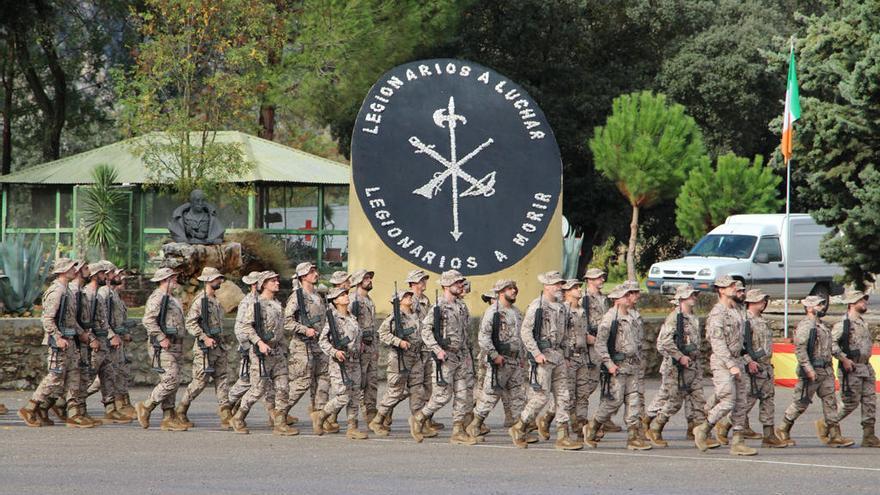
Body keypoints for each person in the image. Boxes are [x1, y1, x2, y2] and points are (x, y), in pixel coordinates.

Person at [510, 271, 581, 451]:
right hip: (542, 357)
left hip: (557, 356)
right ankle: (520, 427)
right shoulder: (538, 306)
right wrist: (535, 353)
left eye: (561, 284)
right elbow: (525, 332)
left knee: (564, 396)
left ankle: (563, 436)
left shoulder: (562, 308)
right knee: (541, 397)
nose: (560, 287)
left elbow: (565, 334)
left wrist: (566, 356)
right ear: (547, 286)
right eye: (556, 284)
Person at [18, 258, 90, 428]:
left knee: (74, 375)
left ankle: (73, 414)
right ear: (63, 271)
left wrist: (82, 334)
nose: (75, 271)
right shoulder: (56, 291)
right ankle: (31, 407)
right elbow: (48, 319)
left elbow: (70, 320)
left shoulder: (68, 291)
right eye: (72, 268)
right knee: (55, 376)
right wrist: (57, 337)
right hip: (59, 342)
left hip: (70, 340)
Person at [409, 270, 478, 445]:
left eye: (461, 283)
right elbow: (425, 331)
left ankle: (458, 430)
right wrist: (437, 349)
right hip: (445, 357)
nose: (460, 286)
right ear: (446, 286)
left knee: (463, 394)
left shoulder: (461, 307)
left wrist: (468, 353)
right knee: (442, 396)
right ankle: (419, 418)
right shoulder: (438, 308)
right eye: (457, 283)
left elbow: (465, 333)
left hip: (460, 356)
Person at [776, 295, 855, 447]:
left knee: (830, 402)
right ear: (810, 308)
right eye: (819, 305)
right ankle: (783, 428)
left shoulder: (823, 326)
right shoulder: (806, 326)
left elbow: (831, 347)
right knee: (801, 403)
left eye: (822, 305)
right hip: (811, 372)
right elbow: (800, 350)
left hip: (825, 370)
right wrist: (808, 369)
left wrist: (844, 359)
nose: (822, 308)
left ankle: (835, 435)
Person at [693, 276, 756, 455]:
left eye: (734, 285)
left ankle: (738, 441)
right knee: (728, 400)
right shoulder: (717, 313)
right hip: (722, 362)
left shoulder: (737, 310)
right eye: (730, 286)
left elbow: (741, 340)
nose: (734, 288)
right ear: (721, 290)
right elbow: (717, 342)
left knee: (741, 402)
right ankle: (703, 429)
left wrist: (745, 359)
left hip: (737, 360)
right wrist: (730, 365)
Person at [583, 282, 650, 450]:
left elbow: (637, 342)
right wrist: (609, 363)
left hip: (632, 366)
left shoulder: (633, 317)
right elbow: (600, 344)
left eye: (629, 295)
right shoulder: (610, 318)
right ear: (617, 299)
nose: (629, 298)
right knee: (613, 401)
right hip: (617, 367)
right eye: (626, 295)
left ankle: (633, 437)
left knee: (633, 401)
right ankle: (593, 427)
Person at [231, 271, 297, 436]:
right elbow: (246, 326)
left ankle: (280, 423)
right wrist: (259, 343)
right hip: (261, 352)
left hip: (277, 351)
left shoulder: (276, 304)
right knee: (258, 389)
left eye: (277, 279)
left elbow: (279, 329)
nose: (277, 283)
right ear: (264, 284)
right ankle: (238, 416)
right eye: (273, 281)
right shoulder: (257, 304)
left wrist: (283, 348)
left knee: (283, 387)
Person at [645, 285, 710, 448]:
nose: (694, 298)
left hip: (692, 365)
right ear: (681, 299)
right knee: (673, 400)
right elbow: (664, 343)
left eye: (695, 295)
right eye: (690, 295)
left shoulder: (691, 317)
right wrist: (679, 356)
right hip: (676, 367)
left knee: (699, 398)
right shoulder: (675, 318)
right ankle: (655, 427)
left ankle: (701, 433)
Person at [468, 280, 527, 444]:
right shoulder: (493, 312)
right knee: (490, 395)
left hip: (515, 361)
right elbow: (483, 337)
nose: (514, 291)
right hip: (500, 360)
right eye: (510, 289)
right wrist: (494, 355)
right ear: (501, 292)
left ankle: (518, 429)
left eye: (514, 288)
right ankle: (475, 425)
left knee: (518, 396)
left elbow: (519, 337)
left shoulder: (515, 312)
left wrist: (521, 357)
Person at [177, 267, 231, 429]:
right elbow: (190, 322)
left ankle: (225, 412)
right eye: (216, 279)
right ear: (208, 281)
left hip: (218, 347)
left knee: (222, 378)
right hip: (204, 348)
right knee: (200, 382)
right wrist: (204, 337)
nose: (219, 281)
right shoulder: (201, 301)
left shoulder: (215, 300)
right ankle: (181, 409)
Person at [136, 268, 189, 431]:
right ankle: (146, 406)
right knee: (170, 378)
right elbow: (148, 320)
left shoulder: (172, 298)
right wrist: (161, 337)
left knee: (174, 380)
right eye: (173, 278)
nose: (176, 281)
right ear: (165, 280)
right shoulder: (157, 297)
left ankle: (168, 416)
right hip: (162, 345)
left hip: (175, 343)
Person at [312, 287, 368, 440]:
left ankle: (352, 427)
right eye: (341, 295)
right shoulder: (333, 319)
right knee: (343, 396)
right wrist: (334, 352)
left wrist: (359, 344)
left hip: (354, 361)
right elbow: (322, 341)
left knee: (355, 395)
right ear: (335, 301)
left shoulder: (352, 318)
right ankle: (321, 416)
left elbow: (356, 336)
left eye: (345, 294)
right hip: (339, 362)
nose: (345, 296)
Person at [370, 288, 425, 436]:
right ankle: (378, 420)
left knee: (417, 390)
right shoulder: (395, 316)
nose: (409, 297)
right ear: (399, 301)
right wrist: (398, 342)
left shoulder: (415, 315)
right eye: (405, 296)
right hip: (399, 358)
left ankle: (418, 422)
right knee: (395, 392)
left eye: (410, 295)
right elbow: (383, 333)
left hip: (415, 356)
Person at [831, 290, 879, 447]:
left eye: (864, 300)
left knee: (870, 401)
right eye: (861, 301)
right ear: (852, 304)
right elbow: (830, 344)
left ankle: (869, 436)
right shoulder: (843, 324)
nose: (864, 303)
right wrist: (843, 359)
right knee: (850, 402)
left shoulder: (862, 322)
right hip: (851, 367)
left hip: (866, 367)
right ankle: (827, 423)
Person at [740, 289, 787, 448]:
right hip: (752, 367)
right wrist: (748, 361)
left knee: (768, 400)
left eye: (765, 300)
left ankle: (769, 436)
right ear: (751, 302)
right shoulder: (745, 321)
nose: (764, 303)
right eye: (761, 300)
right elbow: (740, 345)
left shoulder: (762, 320)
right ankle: (725, 427)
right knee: (747, 401)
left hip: (766, 367)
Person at [284, 262, 329, 428]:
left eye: (315, 270)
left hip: (320, 345)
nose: (315, 274)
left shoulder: (318, 295)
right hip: (302, 345)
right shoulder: (297, 297)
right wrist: (304, 329)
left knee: (323, 379)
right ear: (303, 276)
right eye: (311, 272)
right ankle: (280, 412)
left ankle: (319, 416)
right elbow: (287, 322)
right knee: (302, 382)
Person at [349, 269, 379, 424]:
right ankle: (332, 415)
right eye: (366, 278)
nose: (369, 280)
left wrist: (375, 347)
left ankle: (371, 413)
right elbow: (350, 325)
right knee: (359, 383)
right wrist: (357, 342)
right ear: (358, 281)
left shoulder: (368, 300)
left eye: (369, 278)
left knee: (372, 382)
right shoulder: (353, 300)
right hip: (360, 347)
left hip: (370, 347)